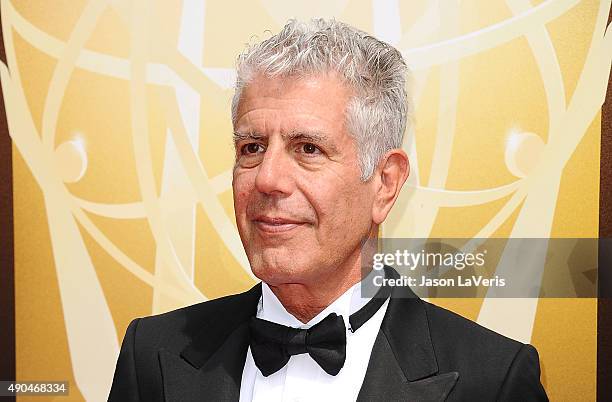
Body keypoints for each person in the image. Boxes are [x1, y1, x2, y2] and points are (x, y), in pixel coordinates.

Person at [108, 18, 548, 401]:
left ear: (385, 184)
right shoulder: (151, 355)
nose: (267, 179)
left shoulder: (492, 382)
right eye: (252, 147)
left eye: (308, 148)